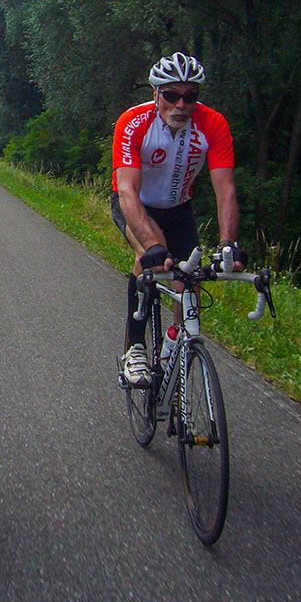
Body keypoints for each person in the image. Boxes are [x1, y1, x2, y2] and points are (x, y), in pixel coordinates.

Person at [111, 51, 247, 388]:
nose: (180, 105)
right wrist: (154, 244)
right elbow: (127, 191)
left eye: (190, 96)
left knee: (189, 279)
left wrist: (229, 243)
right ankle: (135, 348)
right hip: (135, 205)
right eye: (171, 95)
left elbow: (225, 190)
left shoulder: (213, 124)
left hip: (179, 209)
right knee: (149, 257)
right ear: (156, 94)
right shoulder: (133, 122)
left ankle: (175, 344)